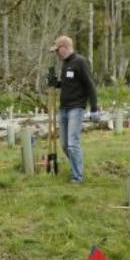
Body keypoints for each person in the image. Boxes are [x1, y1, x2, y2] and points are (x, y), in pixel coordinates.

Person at [48, 35, 100, 184]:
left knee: (72, 143)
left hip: (76, 108)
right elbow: (68, 84)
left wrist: (94, 108)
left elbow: (90, 86)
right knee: (64, 145)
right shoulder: (65, 64)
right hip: (63, 108)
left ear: (64, 47)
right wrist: (56, 83)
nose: (57, 54)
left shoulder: (81, 62)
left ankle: (77, 177)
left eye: (57, 50)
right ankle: (77, 167)